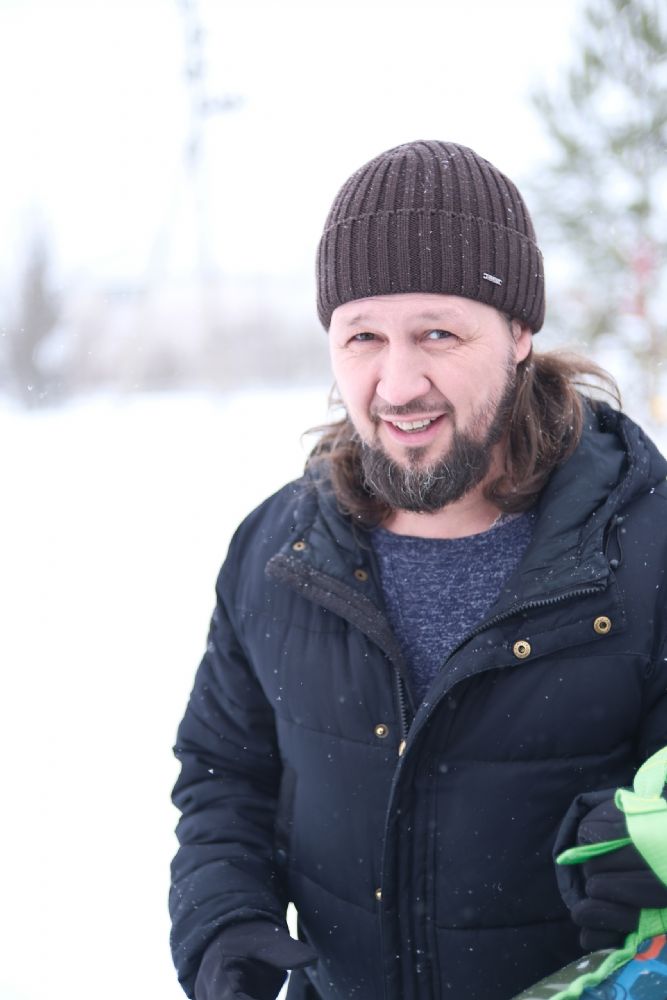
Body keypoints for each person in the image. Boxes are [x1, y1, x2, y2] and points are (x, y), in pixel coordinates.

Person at [169, 140, 667, 1000]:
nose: (397, 385)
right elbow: (224, 775)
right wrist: (222, 916)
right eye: (362, 336)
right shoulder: (277, 553)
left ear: (518, 332)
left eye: (438, 333)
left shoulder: (647, 549)